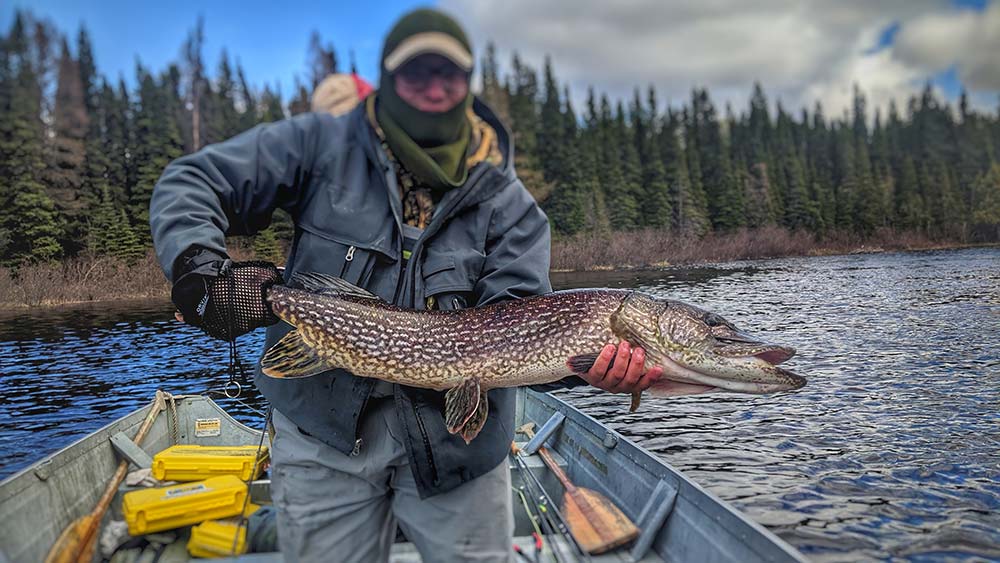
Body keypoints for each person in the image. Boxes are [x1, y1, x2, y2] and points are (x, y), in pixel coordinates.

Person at [150, 8, 661, 562]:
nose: (434, 87)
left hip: (458, 452)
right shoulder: (324, 147)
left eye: (449, 72)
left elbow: (517, 326)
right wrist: (197, 266)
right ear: (390, 80)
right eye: (417, 72)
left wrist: (590, 367)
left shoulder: (513, 210)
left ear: (468, 82)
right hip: (322, 436)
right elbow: (193, 181)